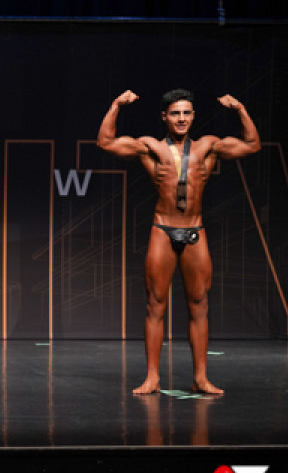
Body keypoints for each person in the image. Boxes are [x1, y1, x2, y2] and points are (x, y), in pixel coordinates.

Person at [97, 88, 260, 394]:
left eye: (186, 113)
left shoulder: (208, 147)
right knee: (155, 304)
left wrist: (240, 109)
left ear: (194, 116)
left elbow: (252, 144)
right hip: (163, 229)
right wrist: (116, 104)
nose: (181, 118)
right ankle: (152, 377)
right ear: (165, 117)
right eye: (175, 113)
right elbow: (105, 142)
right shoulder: (150, 147)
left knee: (199, 305)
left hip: (195, 231)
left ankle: (200, 378)